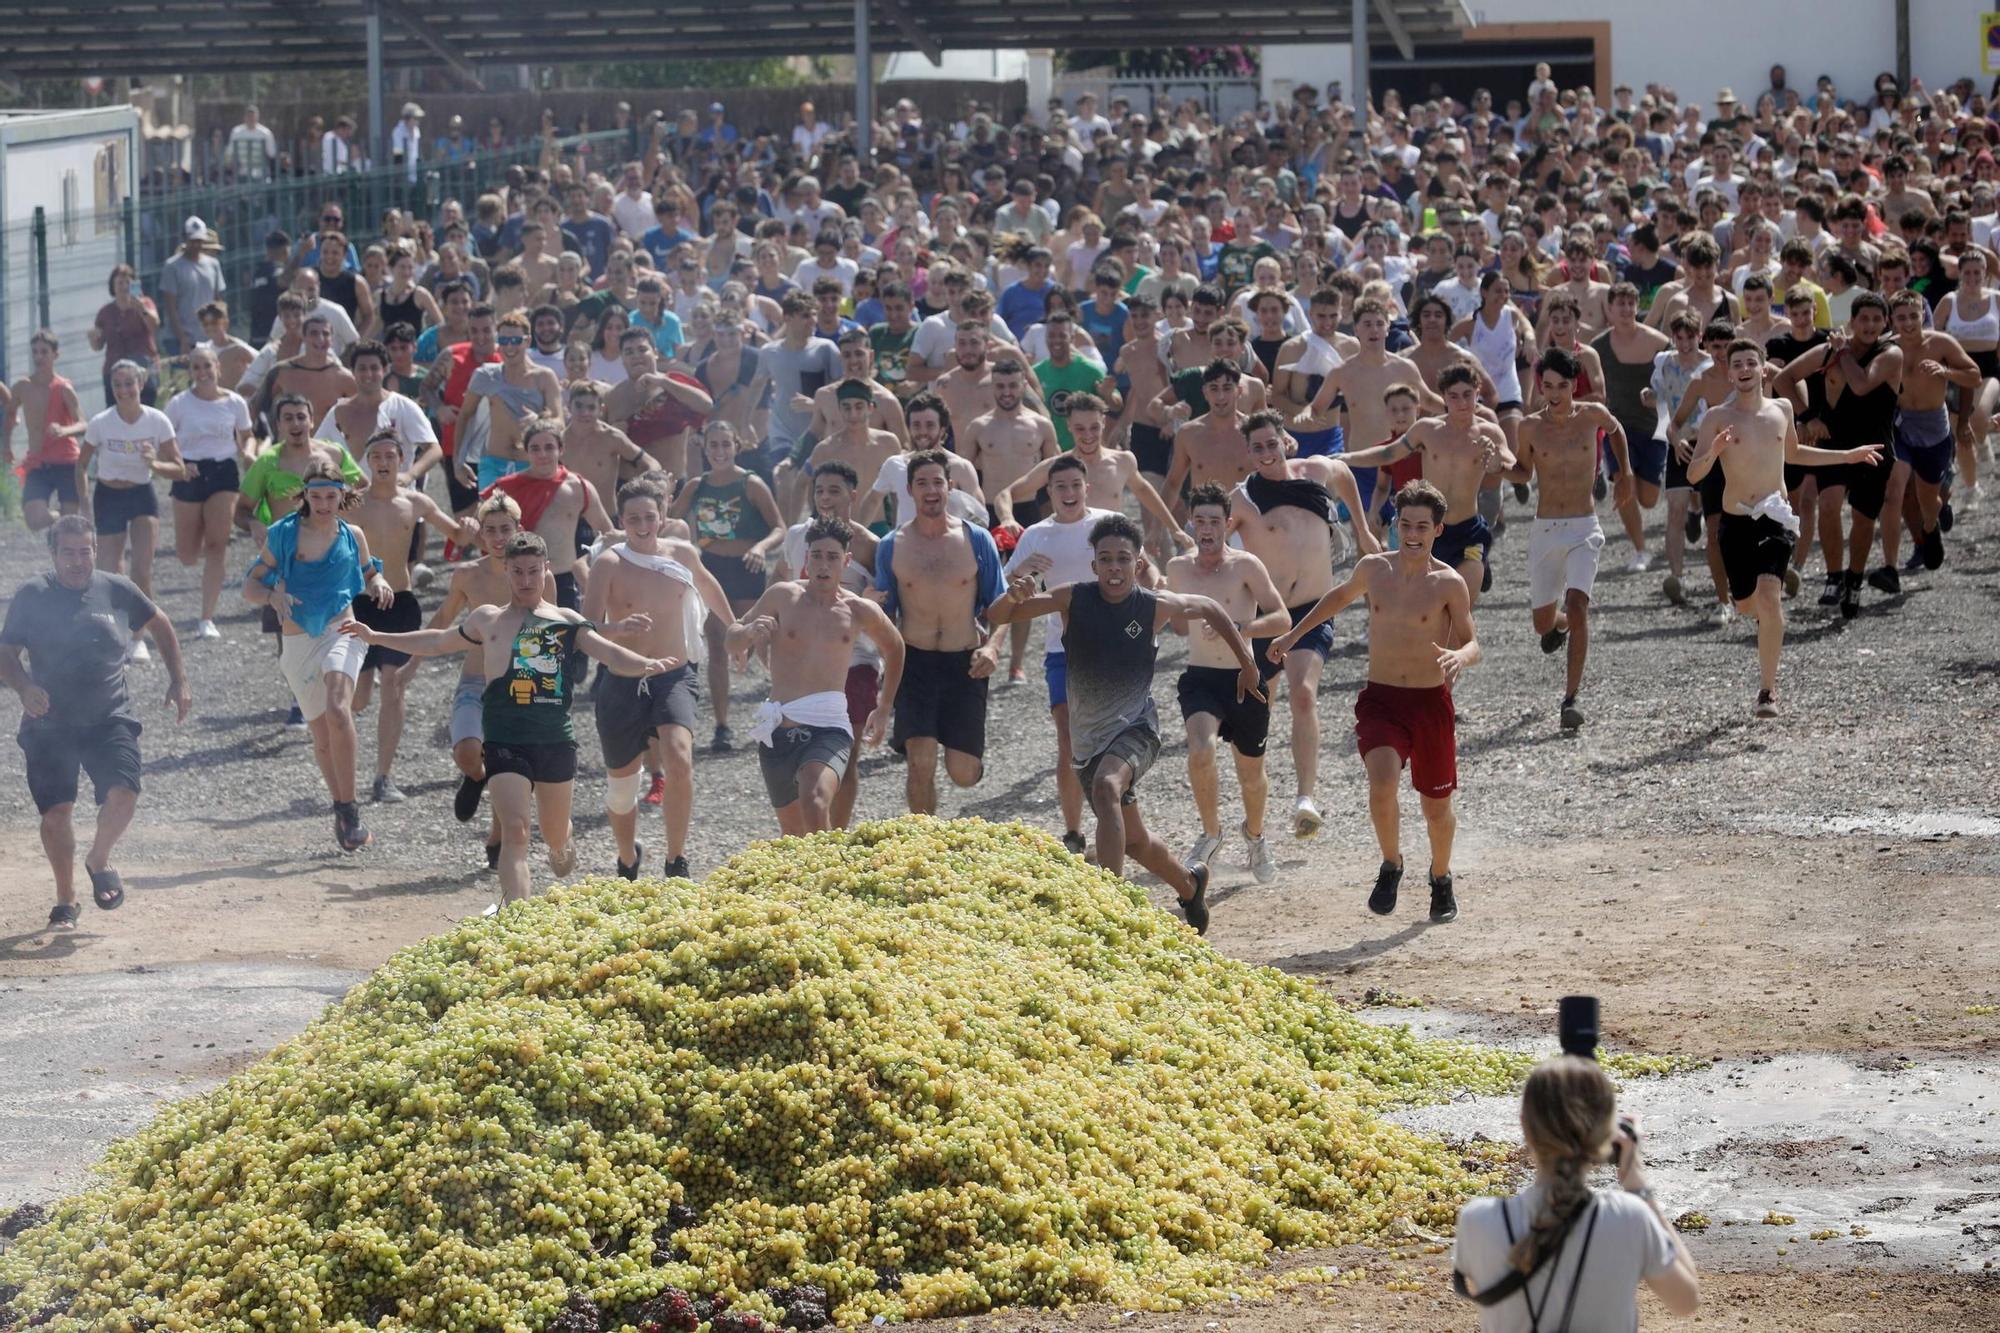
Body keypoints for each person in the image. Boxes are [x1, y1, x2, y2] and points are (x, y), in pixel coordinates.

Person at [343, 532, 673, 904]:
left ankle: (563, 840)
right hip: (503, 740)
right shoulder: (489, 620)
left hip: (554, 741)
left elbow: (609, 653)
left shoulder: (566, 620)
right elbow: (436, 641)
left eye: (534, 571)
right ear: (507, 572)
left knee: (556, 845)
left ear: (546, 570)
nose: (526, 580)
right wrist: (376, 636)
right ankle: (517, 920)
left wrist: (647, 665)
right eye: (518, 572)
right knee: (516, 831)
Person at [989, 514, 1264, 935]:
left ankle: (1108, 908)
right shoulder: (1071, 598)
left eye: (1123, 559)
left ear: (1137, 564)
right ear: (1094, 565)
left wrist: (1248, 665)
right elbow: (999, 615)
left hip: (1137, 729)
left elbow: (1209, 607)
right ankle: (1190, 885)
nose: (1114, 567)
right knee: (1134, 840)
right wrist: (1013, 594)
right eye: (1105, 559)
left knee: (1106, 788)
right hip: (1088, 742)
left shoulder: (1152, 606)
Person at [1269, 480, 1478, 922]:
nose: (1413, 533)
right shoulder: (1373, 569)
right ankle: (1391, 864)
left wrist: (1460, 654)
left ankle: (1440, 877)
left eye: (1423, 525)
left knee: (1437, 809)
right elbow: (1337, 597)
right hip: (1382, 700)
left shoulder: (1449, 582)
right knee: (1381, 782)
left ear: (1438, 529)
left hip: (1429, 704)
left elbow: (1472, 641)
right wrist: (1292, 635)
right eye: (1406, 524)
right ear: (1396, 525)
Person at [1, 515, 191, 929]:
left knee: (124, 792)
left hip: (109, 716)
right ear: (53, 554)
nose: (77, 560)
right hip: (49, 721)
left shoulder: (115, 588)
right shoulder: (33, 594)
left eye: (84, 550)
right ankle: (65, 900)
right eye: (67, 551)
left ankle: (99, 858)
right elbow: (6, 652)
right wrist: (24, 687)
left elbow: (160, 622)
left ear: (94, 551)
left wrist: (178, 679)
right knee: (57, 813)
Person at [1692, 340, 1884, 718]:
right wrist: (1713, 450)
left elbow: (1793, 453)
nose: (1745, 368)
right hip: (1735, 521)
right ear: (1729, 372)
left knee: (1770, 595)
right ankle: (1762, 615)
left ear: (1764, 369)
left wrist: (1846, 455)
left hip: (1776, 515)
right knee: (1747, 603)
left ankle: (1767, 691)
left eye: (1752, 361)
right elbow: (1693, 473)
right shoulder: (1717, 417)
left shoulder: (1781, 409)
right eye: (1737, 364)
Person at [1451, 1057, 1700, 1331]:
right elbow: (1686, 1302)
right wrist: (1637, 1184)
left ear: (1525, 1126)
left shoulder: (1478, 1221)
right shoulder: (1630, 1216)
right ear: (1607, 1134)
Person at [1227, 409, 1377, 836]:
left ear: (1284, 441)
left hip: (1312, 608)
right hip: (1266, 615)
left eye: (1271, 443)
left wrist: (1362, 530)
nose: (1265, 453)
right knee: (1258, 712)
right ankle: (1255, 806)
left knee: (1304, 695)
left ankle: (1305, 798)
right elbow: (1214, 544)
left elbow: (1345, 474)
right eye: (1256, 447)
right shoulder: (1244, 498)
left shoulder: (1314, 472)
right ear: (1249, 452)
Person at [586, 476, 736, 877]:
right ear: (621, 519)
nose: (642, 525)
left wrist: (735, 628)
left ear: (663, 515)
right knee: (622, 785)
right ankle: (627, 855)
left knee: (680, 757)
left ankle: (676, 858)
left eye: (649, 517)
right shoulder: (608, 562)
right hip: (622, 678)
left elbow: (710, 587)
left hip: (674, 672)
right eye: (633, 518)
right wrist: (616, 630)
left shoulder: (683, 555)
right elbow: (583, 629)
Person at [240, 458, 393, 851]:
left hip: (343, 629)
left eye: (331, 495)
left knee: (339, 709)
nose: (324, 503)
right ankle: (343, 809)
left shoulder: (352, 534)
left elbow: (369, 570)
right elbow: (250, 588)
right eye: (317, 495)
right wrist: (273, 594)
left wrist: (379, 582)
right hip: (297, 642)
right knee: (322, 736)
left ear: (343, 495)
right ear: (304, 496)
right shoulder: (283, 534)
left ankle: (351, 805)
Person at [730, 516, 906, 834]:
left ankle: (827, 880)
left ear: (846, 561)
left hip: (830, 728)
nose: (823, 565)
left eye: (833, 557)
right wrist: (749, 633)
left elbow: (895, 648)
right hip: (778, 729)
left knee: (814, 799)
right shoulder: (783, 596)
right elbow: (733, 634)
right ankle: (817, 874)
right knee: (793, 836)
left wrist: (883, 708)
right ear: (806, 557)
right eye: (817, 555)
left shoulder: (858, 610)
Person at [749, 461, 887, 827]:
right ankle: (818, 840)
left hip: (854, 661)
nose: (825, 498)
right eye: (820, 490)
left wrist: (886, 702)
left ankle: (834, 838)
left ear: (852, 496)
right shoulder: (798, 536)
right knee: (796, 814)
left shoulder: (872, 545)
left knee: (840, 762)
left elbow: (892, 608)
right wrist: (760, 636)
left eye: (834, 490)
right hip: (796, 663)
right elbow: (779, 579)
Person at [1167, 484, 1291, 882]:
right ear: (1191, 522)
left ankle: (1255, 837)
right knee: (1200, 749)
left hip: (1245, 676)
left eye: (1214, 522)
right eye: (1199, 521)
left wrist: (1238, 628)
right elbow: (1177, 629)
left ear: (1227, 524)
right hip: (1201, 678)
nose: (1206, 529)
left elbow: (1282, 618)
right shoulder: (1178, 568)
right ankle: (1211, 833)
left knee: (1250, 774)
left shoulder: (1246, 565)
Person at [1505, 348, 1632, 730]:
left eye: (1563, 385)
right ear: (1540, 386)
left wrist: (1623, 472)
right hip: (1545, 528)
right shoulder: (1528, 426)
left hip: (1583, 526)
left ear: (1574, 385)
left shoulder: (1590, 415)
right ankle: (1557, 626)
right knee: (1543, 623)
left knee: (1579, 605)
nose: (1556, 393)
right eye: (1548, 386)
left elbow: (1616, 430)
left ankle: (1570, 699)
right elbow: (1523, 472)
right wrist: (1496, 467)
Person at [348, 431, 477, 803]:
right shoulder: (350, 503)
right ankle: (339, 745)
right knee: (358, 698)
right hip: (359, 603)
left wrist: (468, 528)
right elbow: (314, 527)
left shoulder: (416, 502)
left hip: (401, 603)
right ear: (368, 461)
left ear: (402, 461)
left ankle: (382, 777)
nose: (384, 462)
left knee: (395, 686)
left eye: (391, 455)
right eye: (377, 456)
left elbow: (457, 535)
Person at [875, 449, 1006, 814]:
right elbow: (884, 614)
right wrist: (885, 661)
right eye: (922, 483)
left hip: (965, 661)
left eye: (937, 482)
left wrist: (993, 648)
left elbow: (1002, 606)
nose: (930, 490)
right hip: (914, 662)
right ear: (909, 490)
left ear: (949, 487)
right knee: (920, 762)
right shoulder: (892, 545)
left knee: (962, 773)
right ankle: (923, 845)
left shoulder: (977, 540)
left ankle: (968, 759)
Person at [427, 493, 554, 868]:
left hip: (521, 687)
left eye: (506, 529)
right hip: (475, 679)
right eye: (491, 530)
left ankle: (497, 840)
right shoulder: (467, 574)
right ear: (481, 535)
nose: (499, 537)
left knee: (509, 769)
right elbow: (443, 618)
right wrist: (409, 663)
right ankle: (474, 775)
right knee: (467, 750)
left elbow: (553, 631)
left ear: (520, 529)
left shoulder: (538, 576)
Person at [1002, 455, 1121, 853]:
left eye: (1075, 485)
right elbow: (1007, 592)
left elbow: (1141, 570)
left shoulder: (1107, 525)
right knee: (1068, 739)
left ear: (1087, 486)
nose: (1069, 493)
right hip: (1061, 648)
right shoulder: (1036, 534)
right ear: (1048, 492)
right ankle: (1073, 832)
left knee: (1111, 741)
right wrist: (1022, 575)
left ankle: (1115, 824)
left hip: (1111, 648)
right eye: (1060, 487)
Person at [1770, 292, 1902, 620]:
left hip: (1874, 446)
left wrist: (1843, 351)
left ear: (1884, 322)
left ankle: (1854, 578)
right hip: (1833, 444)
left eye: (1876, 319)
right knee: (1827, 506)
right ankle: (1834, 575)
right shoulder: (1829, 349)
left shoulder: (1891, 354)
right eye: (1863, 319)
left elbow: (1860, 385)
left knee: (1862, 519)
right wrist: (1807, 415)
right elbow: (1782, 378)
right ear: (1852, 321)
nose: (1870, 325)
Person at [1337, 364, 1512, 608]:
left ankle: (1477, 568)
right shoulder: (1427, 430)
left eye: (1467, 395)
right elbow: (1388, 453)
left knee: (1460, 607)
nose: (1461, 402)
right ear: (1443, 397)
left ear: (1477, 393)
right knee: (1426, 607)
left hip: (1469, 531)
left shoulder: (1489, 432)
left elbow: (1512, 465)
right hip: (1431, 532)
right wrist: (1346, 458)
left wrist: (1496, 463)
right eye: (1453, 396)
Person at [672, 420, 782, 751]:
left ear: (736, 446)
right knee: (718, 644)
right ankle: (722, 726)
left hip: (747, 567)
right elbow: (671, 524)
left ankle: (776, 717)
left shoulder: (751, 484)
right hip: (712, 567)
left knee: (758, 644)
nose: (719, 451)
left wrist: (760, 548)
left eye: (725, 444)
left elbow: (779, 527)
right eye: (713, 445)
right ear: (705, 449)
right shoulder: (696, 485)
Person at [78, 361, 186, 639]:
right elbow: (81, 466)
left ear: (140, 385)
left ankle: (138, 636)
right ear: (111, 388)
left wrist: (155, 463)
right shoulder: (101, 422)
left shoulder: (156, 420)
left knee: (141, 568)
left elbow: (179, 468)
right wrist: (84, 504)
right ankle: (111, 631)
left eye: (129, 384)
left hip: (141, 493)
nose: (123, 390)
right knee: (108, 570)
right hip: (109, 494)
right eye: (117, 385)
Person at [162, 346, 253, 640]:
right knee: (186, 554)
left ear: (218, 368)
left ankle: (206, 618)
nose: (202, 373)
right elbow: (165, 438)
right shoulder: (178, 404)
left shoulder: (235, 402)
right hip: (189, 472)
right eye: (196, 367)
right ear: (191, 372)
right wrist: (178, 464)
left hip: (223, 472)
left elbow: (246, 435)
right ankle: (206, 554)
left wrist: (249, 453)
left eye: (206, 366)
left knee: (217, 545)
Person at [456, 311, 563, 490]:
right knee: (491, 517)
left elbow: (559, 422)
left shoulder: (544, 377)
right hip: (493, 465)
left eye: (515, 341)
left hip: (533, 466)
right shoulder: (486, 375)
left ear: (527, 341)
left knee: (531, 518)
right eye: (504, 341)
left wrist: (539, 421)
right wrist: (458, 462)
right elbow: (465, 415)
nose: (509, 347)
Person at [4, 330, 88, 531]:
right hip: (38, 462)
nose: (38, 357)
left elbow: (83, 424)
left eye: (44, 352)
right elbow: (9, 415)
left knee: (71, 525)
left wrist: (64, 430)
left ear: (55, 355)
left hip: (66, 462)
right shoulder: (22, 386)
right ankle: (59, 518)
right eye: (35, 352)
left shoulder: (64, 388)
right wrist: (6, 446)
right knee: (34, 519)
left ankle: (66, 532)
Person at [90, 264, 160, 408]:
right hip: (114, 370)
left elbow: (155, 326)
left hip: (143, 368)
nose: (124, 287)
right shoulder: (105, 312)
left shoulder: (145, 303)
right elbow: (97, 346)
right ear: (113, 287)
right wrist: (93, 338)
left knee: (146, 409)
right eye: (120, 283)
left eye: (128, 282)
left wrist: (141, 308)